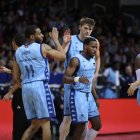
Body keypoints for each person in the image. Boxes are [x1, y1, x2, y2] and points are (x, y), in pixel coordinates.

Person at [12, 25, 66, 140]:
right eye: (39, 33)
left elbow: (15, 78)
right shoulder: (43, 47)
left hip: (26, 88)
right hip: (39, 86)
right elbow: (62, 56)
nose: (42, 35)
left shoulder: (18, 52)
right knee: (46, 124)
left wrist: (27, 86)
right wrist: (56, 39)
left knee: (34, 125)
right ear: (32, 36)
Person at [59, 17, 101, 140]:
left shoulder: (94, 41)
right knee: (67, 118)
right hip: (71, 84)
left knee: (86, 120)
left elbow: (98, 57)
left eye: (90, 29)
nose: (88, 31)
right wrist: (64, 43)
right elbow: (60, 56)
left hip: (86, 85)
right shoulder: (70, 39)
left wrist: (96, 73)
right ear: (80, 27)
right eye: (85, 28)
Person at [1, 33, 42, 140]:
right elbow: (22, 74)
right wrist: (9, 70)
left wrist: (9, 93)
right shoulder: (28, 54)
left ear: (14, 42)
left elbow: (22, 79)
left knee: (20, 126)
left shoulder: (19, 55)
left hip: (22, 95)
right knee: (28, 124)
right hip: (32, 94)